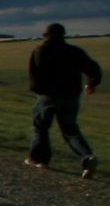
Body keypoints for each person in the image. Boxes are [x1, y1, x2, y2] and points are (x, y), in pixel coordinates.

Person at [25, 22, 103, 178]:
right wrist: (91, 83)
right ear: (63, 35)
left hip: (49, 96)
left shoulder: (40, 51)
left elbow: (34, 77)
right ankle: (87, 157)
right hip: (71, 97)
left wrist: (39, 92)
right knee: (70, 130)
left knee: (40, 127)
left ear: (46, 36)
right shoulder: (75, 51)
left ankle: (39, 159)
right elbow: (94, 69)